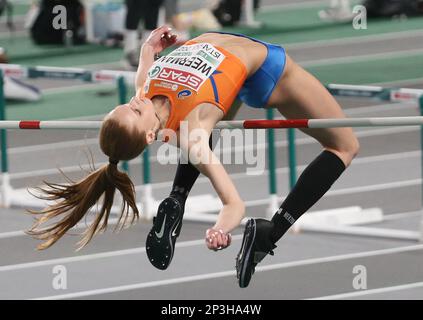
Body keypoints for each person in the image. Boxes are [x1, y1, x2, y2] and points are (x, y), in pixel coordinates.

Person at [27, 26, 359, 290]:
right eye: (132, 112)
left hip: (231, 70)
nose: (135, 102)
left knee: (211, 112)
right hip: (267, 70)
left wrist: (155, 42)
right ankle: (270, 233)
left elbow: (147, 53)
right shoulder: (194, 136)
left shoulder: (143, 90)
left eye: (127, 104)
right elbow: (234, 205)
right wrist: (220, 229)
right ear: (149, 136)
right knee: (344, 146)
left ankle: (177, 197)